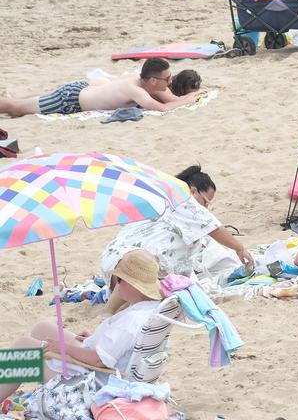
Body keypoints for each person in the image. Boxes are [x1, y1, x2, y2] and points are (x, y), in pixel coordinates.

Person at [1, 250, 163, 400]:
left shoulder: (131, 321)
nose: (116, 285)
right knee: (42, 328)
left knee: (21, 350)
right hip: (106, 368)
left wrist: (63, 348)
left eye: (119, 280)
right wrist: (96, 339)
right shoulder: (148, 309)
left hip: (95, 381)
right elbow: (121, 347)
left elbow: (99, 361)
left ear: (133, 285)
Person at [100, 164, 254, 279]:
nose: (205, 208)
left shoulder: (160, 198)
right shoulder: (184, 200)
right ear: (193, 190)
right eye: (205, 201)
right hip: (139, 266)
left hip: (111, 263)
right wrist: (239, 248)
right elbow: (214, 228)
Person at [0, 59, 204, 117]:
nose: (170, 81)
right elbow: (163, 108)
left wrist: (191, 94)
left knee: (25, 102)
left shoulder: (142, 80)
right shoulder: (137, 90)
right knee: (16, 109)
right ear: (153, 81)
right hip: (70, 100)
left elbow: (169, 99)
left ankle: (15, 97)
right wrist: (191, 98)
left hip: (82, 90)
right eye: (167, 78)